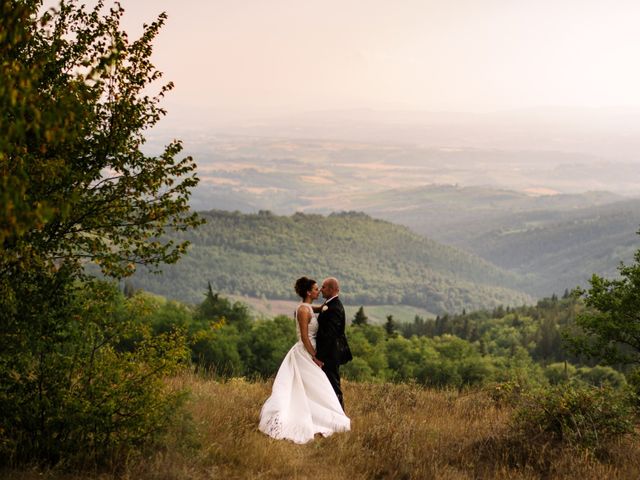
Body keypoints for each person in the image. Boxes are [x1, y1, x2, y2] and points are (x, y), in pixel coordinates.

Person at [258, 276, 350, 444]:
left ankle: (326, 416)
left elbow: (323, 307)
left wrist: (328, 303)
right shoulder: (302, 310)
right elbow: (304, 337)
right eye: (316, 289)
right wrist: (315, 356)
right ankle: (312, 418)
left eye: (320, 288)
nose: (319, 291)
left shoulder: (309, 307)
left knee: (315, 387)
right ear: (308, 292)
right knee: (313, 385)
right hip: (306, 351)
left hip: (313, 350)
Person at [315, 277, 347, 409]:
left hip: (330, 355)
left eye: (323, 287)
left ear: (332, 289)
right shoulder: (330, 304)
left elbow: (330, 335)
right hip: (328, 353)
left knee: (334, 385)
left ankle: (341, 416)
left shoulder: (335, 307)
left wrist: (319, 356)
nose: (321, 290)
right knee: (328, 385)